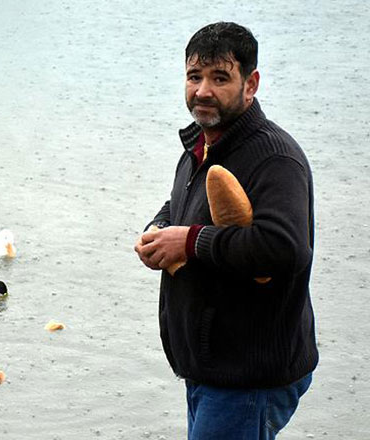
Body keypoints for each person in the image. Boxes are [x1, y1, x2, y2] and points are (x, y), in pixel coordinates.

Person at [133, 22, 317, 439]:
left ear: (250, 84)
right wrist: (159, 230)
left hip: (248, 378)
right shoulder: (202, 144)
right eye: (194, 76)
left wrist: (190, 240)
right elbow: (183, 206)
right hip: (212, 370)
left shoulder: (274, 158)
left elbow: (284, 247)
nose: (202, 91)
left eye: (220, 78)